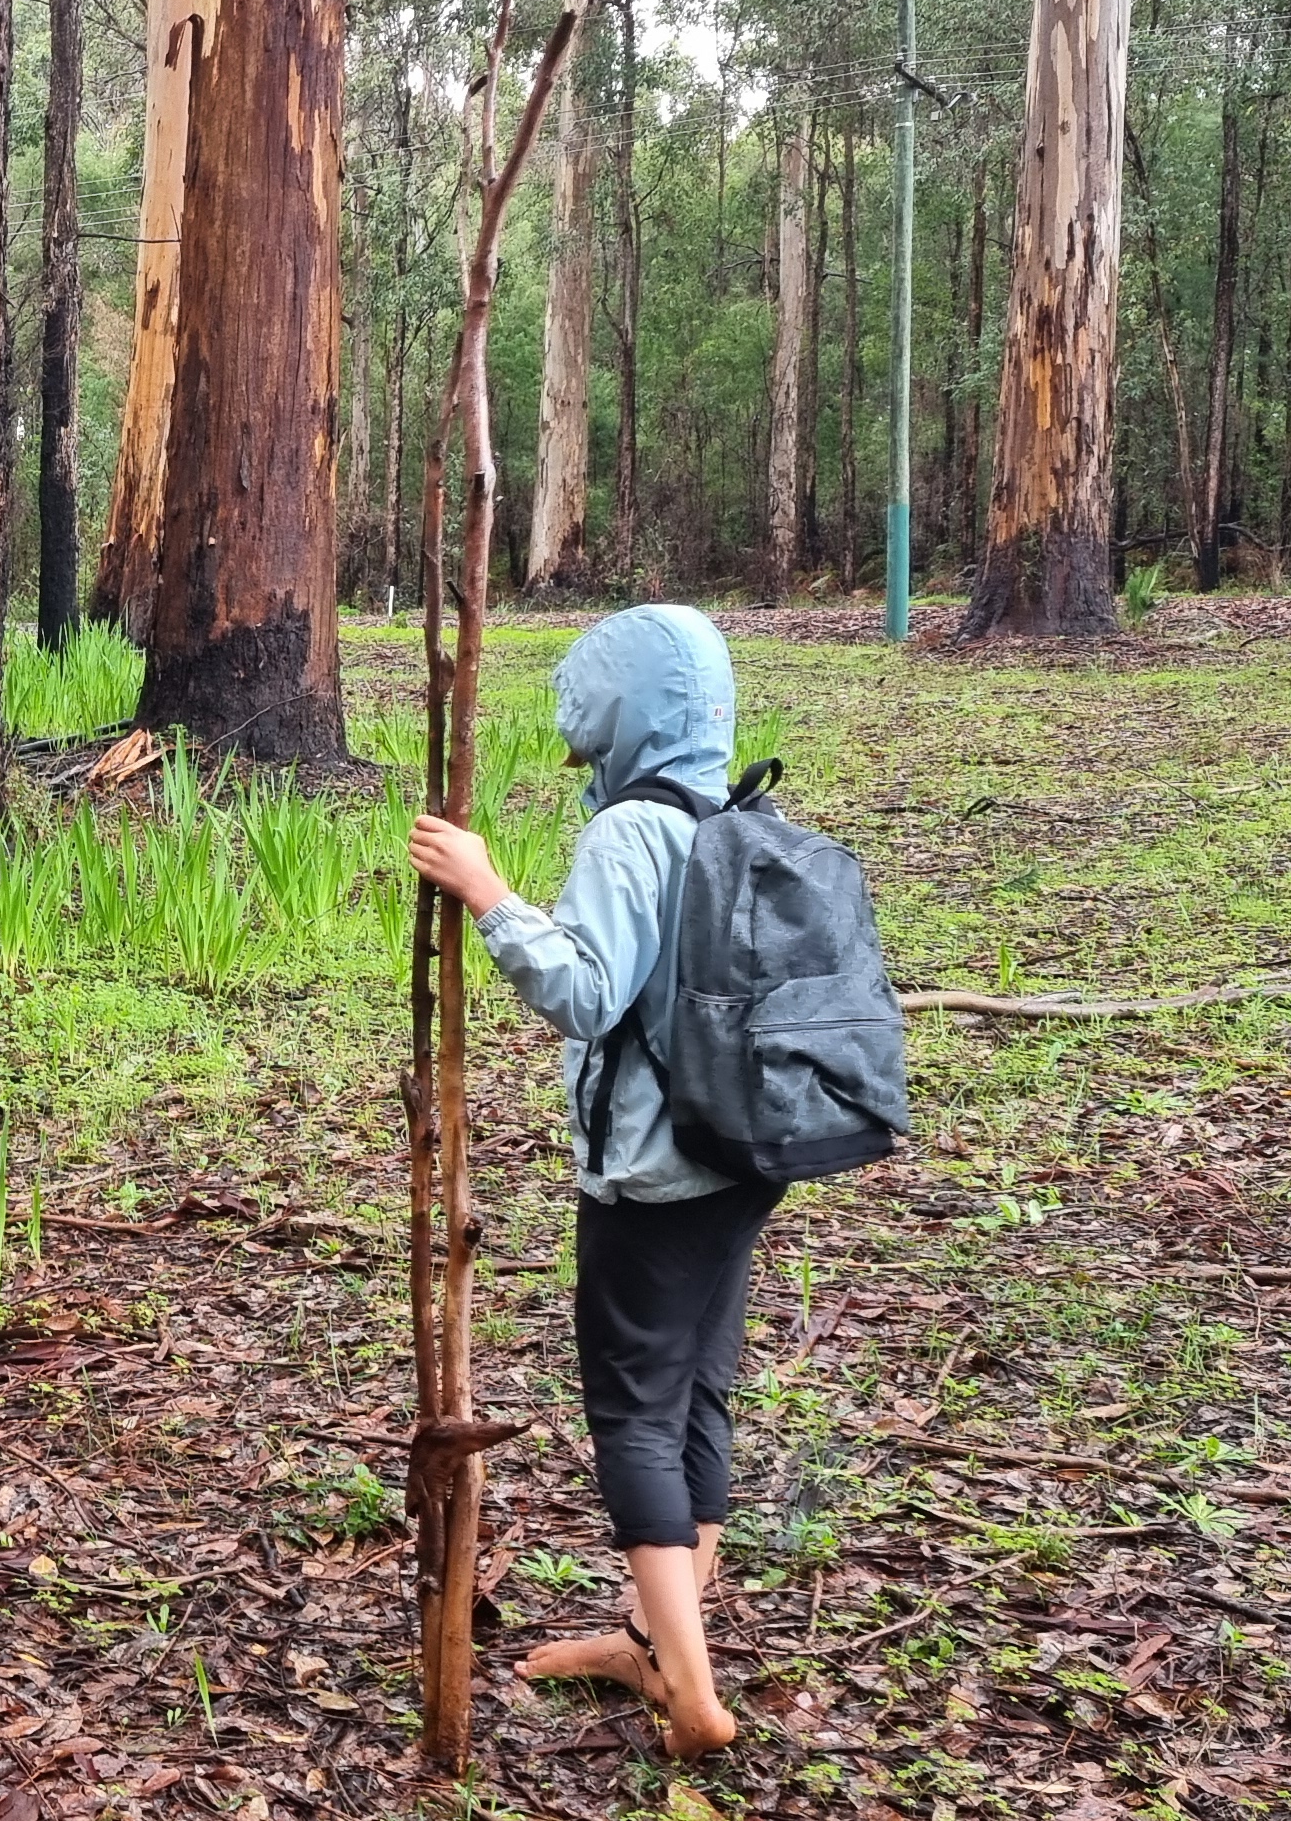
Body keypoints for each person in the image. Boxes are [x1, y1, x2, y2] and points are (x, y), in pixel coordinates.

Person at [403, 602, 770, 1760]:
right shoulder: (734, 813)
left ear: (623, 709)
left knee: (634, 1420)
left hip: (655, 1180)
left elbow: (585, 993)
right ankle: (653, 1642)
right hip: (742, 1162)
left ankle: (694, 1696)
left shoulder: (629, 834)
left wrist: (487, 891)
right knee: (698, 1397)